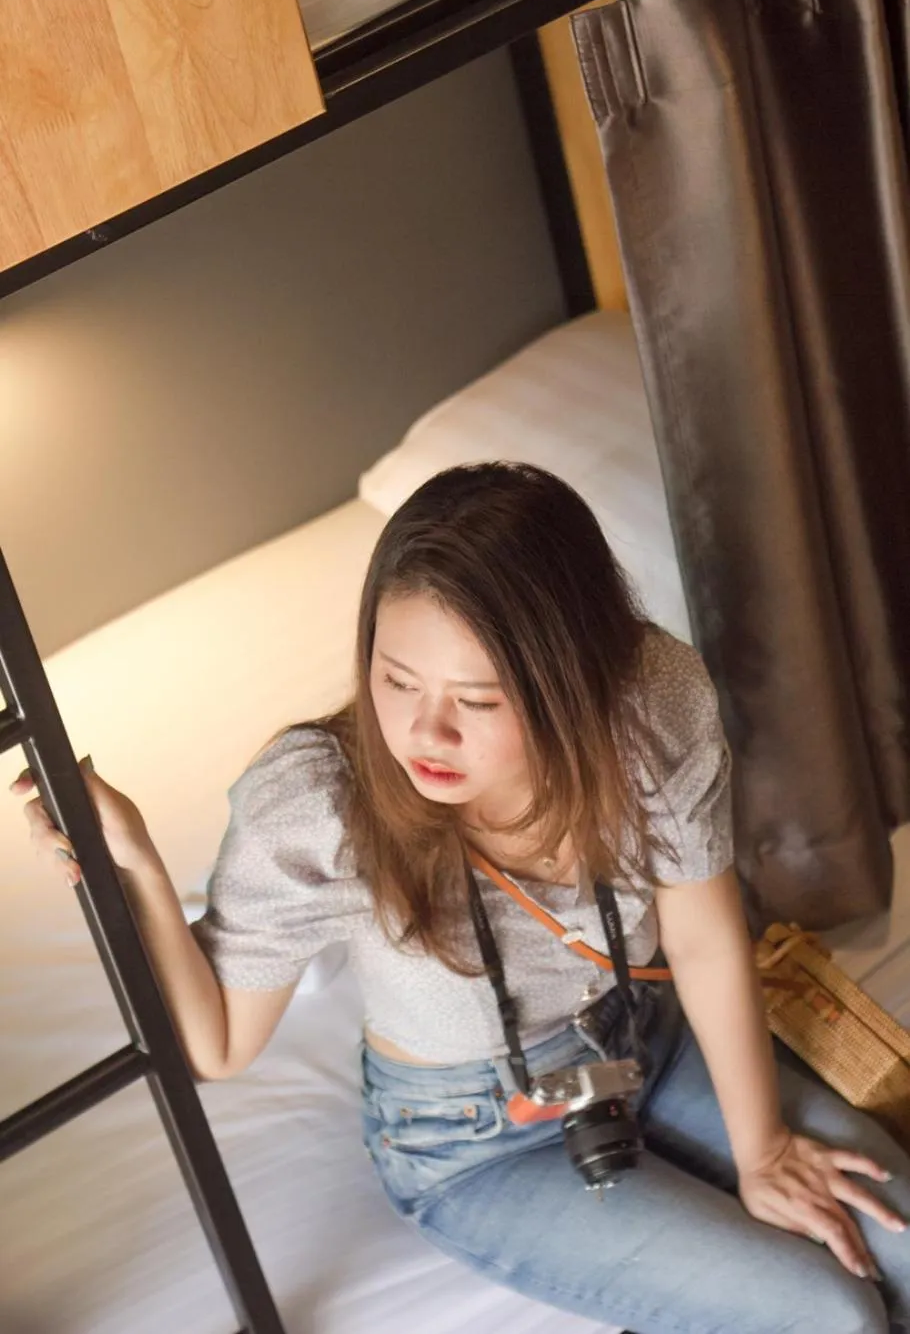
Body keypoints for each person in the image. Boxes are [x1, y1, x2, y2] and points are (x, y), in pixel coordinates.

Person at [14, 463, 910, 1334]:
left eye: (477, 699)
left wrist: (762, 1150)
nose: (424, 733)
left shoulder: (651, 701)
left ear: (574, 685)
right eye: (396, 680)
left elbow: (704, 936)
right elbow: (215, 1043)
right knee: (826, 1310)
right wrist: (133, 863)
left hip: (648, 1040)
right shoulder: (320, 804)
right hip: (471, 1138)